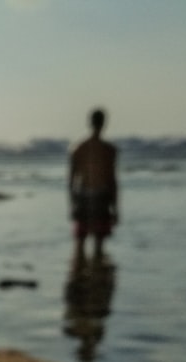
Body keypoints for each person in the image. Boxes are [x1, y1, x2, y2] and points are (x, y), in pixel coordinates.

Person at [69, 108, 118, 261]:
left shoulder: (77, 148)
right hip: (101, 197)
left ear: (90, 123)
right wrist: (116, 208)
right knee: (98, 246)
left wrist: (72, 204)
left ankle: (80, 276)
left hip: (83, 196)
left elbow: (71, 181)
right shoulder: (108, 150)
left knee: (80, 244)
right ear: (104, 124)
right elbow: (112, 181)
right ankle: (97, 276)